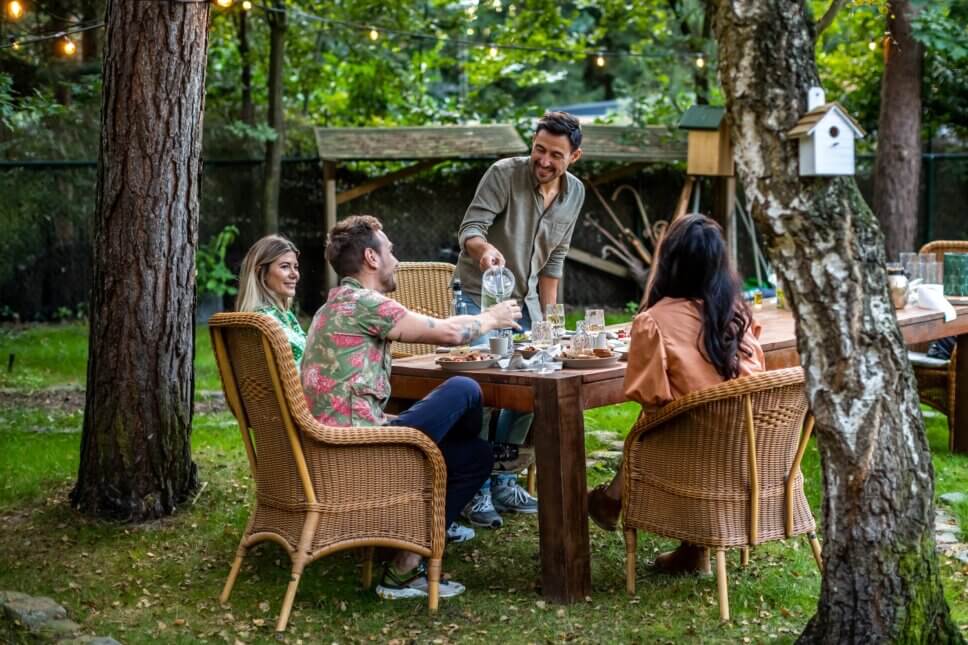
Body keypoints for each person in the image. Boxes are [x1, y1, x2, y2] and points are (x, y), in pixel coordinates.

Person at [301, 215, 522, 601]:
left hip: (331, 451)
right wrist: (492, 317)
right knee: (464, 388)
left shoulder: (330, 308)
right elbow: (450, 333)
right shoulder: (364, 303)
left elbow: (344, 398)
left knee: (475, 456)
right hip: (361, 455)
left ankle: (406, 562)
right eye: (390, 250)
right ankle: (411, 536)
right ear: (371, 257)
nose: (396, 259)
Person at [586, 213, 766, 575]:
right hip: (754, 446)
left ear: (670, 263)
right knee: (698, 412)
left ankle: (612, 499)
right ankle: (692, 550)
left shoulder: (655, 320)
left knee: (652, 423)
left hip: (691, 454)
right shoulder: (737, 313)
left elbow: (649, 396)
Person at [453, 110, 585, 527]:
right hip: (480, 296)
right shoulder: (503, 174)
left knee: (533, 387)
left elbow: (554, 263)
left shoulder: (575, 194)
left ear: (574, 157)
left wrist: (551, 326)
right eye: (539, 149)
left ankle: (502, 478)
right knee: (485, 392)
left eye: (556, 155)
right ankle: (473, 489)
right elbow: (471, 227)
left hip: (525, 304)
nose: (544, 161)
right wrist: (484, 251)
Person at [236, 234, 306, 368]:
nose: (294, 274)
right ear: (260, 273)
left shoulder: (275, 317)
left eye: (295, 267)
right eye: (285, 266)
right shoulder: (267, 322)